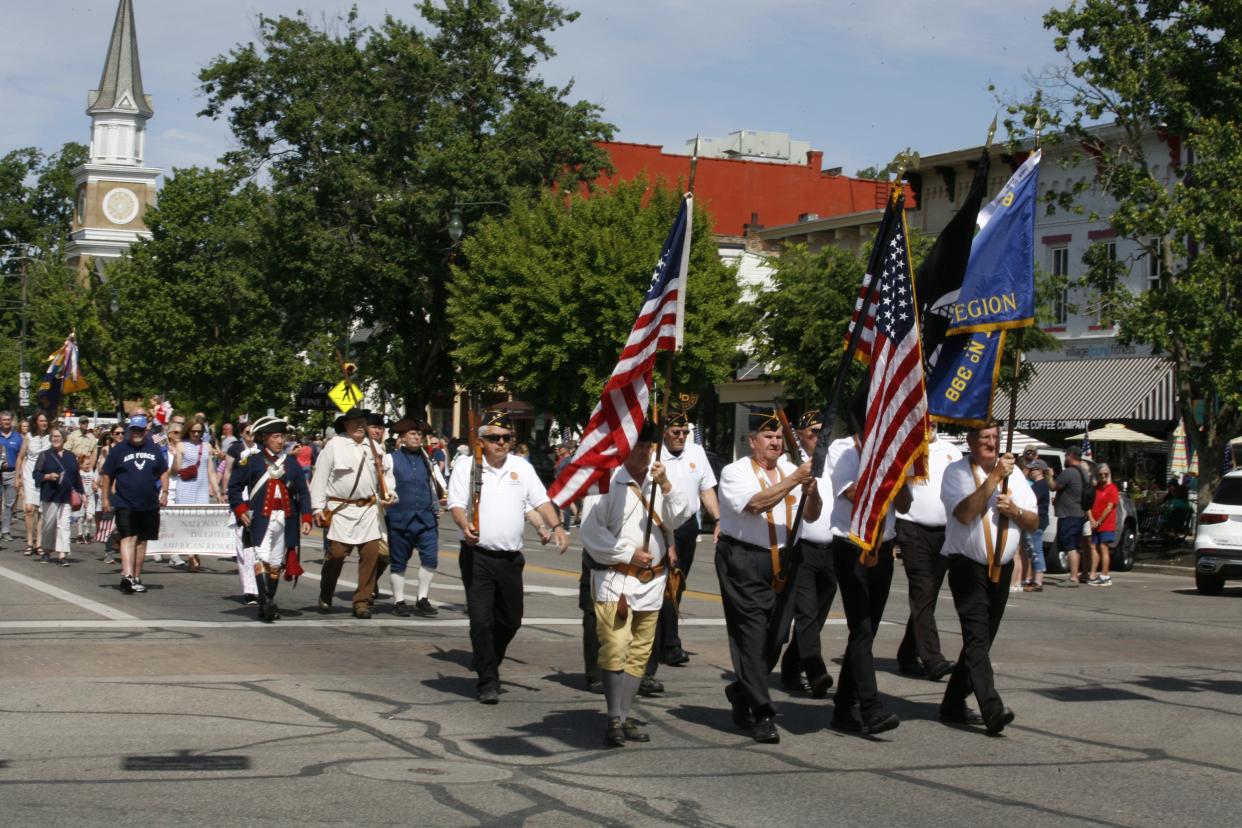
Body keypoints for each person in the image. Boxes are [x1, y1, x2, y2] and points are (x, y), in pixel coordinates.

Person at [581, 422, 693, 747]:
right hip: (617, 581)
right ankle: (613, 717)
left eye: (649, 445)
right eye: (640, 444)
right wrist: (628, 552)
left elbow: (677, 520)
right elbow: (591, 533)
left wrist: (667, 486)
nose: (645, 450)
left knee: (641, 653)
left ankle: (624, 715)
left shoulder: (658, 479)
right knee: (616, 647)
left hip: (653, 581)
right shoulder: (607, 480)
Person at [714, 407, 822, 744]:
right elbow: (756, 504)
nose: (775, 442)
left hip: (786, 561)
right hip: (744, 560)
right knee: (752, 636)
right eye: (768, 437)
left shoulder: (791, 469)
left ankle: (742, 690)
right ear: (752, 441)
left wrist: (811, 491)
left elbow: (812, 514)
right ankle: (762, 713)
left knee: (776, 637)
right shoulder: (736, 472)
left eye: (778, 437)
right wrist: (794, 480)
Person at [447, 409, 568, 704]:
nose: (501, 443)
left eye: (506, 438)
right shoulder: (468, 466)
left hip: (510, 558)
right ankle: (488, 679)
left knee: (511, 620)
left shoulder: (521, 467)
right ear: (482, 440)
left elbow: (538, 500)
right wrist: (466, 526)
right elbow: (456, 505)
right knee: (481, 621)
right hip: (478, 556)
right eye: (494, 438)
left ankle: (488, 658)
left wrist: (556, 526)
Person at [938, 421, 1037, 735]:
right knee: (977, 638)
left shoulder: (1016, 476)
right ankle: (991, 707)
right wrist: (995, 478)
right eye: (985, 437)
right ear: (971, 440)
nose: (992, 443)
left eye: (995, 437)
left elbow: (1034, 521)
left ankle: (953, 703)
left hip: (1002, 569)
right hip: (968, 567)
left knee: (982, 640)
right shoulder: (957, 473)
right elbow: (965, 513)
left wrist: (1016, 511)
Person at [827, 425, 906, 736]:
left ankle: (844, 708)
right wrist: (882, 473)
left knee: (867, 630)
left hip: (884, 546)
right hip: (851, 546)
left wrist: (898, 474)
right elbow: (852, 492)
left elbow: (905, 505)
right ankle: (870, 708)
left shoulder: (892, 453)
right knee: (860, 627)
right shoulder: (843, 449)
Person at [648, 408, 720, 674]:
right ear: (664, 431)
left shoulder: (696, 452)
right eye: (676, 432)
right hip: (660, 525)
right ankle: (667, 644)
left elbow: (706, 488)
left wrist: (719, 519)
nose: (681, 436)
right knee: (660, 585)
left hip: (688, 525)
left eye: (685, 432)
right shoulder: (653, 454)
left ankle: (666, 641)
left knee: (676, 585)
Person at [310, 408, 397, 618]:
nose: (359, 425)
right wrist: (317, 508)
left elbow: (386, 476)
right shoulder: (334, 446)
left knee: (371, 555)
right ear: (346, 425)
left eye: (362, 422)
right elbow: (320, 477)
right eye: (354, 422)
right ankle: (326, 591)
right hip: (341, 511)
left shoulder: (376, 448)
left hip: (368, 510)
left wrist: (390, 493)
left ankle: (362, 601)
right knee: (337, 554)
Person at [778, 408, 840, 697]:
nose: (819, 437)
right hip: (802, 550)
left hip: (833, 549)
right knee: (806, 614)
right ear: (800, 435)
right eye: (814, 432)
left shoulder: (835, 463)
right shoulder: (790, 466)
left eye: (824, 431)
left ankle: (791, 667)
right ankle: (815, 671)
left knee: (817, 618)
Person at [228, 416, 312, 622]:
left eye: (282, 436)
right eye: (275, 436)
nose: (280, 440)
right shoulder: (252, 461)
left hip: (285, 519)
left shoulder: (291, 463)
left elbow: (303, 491)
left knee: (275, 562)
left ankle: (267, 601)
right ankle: (266, 603)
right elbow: (234, 488)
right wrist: (240, 510)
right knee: (261, 557)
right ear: (265, 438)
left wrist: (307, 517)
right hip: (261, 518)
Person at [894, 421, 961, 682]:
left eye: (932, 422)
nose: (928, 427)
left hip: (944, 532)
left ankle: (907, 653)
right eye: (923, 422)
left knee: (928, 596)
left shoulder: (951, 451)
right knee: (922, 591)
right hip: (912, 528)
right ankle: (933, 658)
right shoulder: (907, 450)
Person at [99, 415, 171, 594]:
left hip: (149, 502)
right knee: (128, 537)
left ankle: (136, 577)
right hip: (125, 501)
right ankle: (127, 575)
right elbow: (107, 474)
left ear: (145, 431)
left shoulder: (153, 449)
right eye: (134, 430)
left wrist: (165, 492)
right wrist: (105, 498)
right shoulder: (119, 450)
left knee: (142, 541)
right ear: (129, 430)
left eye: (140, 430)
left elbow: (163, 471)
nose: (137, 433)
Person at [385, 418, 443, 617]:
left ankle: (422, 598)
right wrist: (389, 496)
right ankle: (399, 601)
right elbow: (386, 485)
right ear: (402, 437)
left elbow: (437, 482)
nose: (417, 437)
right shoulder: (391, 459)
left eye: (419, 434)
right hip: (400, 518)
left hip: (426, 518)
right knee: (399, 562)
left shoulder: (427, 459)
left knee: (430, 558)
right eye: (412, 434)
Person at [170, 418, 223, 572]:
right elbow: (175, 471)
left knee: (200, 522)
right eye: (193, 431)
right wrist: (175, 461)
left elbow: (211, 471)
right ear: (188, 430)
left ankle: (194, 551)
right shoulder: (181, 445)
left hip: (201, 488)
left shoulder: (207, 446)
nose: (196, 434)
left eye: (199, 431)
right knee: (186, 522)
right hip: (185, 487)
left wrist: (217, 492)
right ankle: (191, 554)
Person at [34, 428, 85, 566]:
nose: (55, 439)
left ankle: (63, 554)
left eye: (58, 436)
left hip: (66, 495)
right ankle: (47, 551)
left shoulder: (70, 456)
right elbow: (36, 474)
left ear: (64, 438)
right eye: (53, 436)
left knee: (64, 526)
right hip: (50, 495)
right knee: (49, 525)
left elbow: (76, 477)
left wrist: (82, 493)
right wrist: (47, 476)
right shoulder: (45, 455)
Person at [222, 423, 260, 602]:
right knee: (244, 546)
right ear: (241, 434)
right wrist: (225, 493)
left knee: (258, 549)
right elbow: (228, 472)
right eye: (247, 432)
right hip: (240, 501)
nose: (251, 435)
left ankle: (261, 585)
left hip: (257, 500)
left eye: (254, 432)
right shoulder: (235, 449)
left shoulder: (260, 449)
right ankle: (250, 590)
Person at [1048, 447, 1090, 584]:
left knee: (1071, 546)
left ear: (1071, 455)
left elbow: (1053, 486)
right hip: (1079, 513)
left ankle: (1073, 577)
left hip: (1070, 515)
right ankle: (1075, 574)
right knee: (1074, 545)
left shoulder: (1069, 472)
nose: (1065, 457)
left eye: (1066, 455)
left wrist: (1049, 474)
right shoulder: (1083, 472)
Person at [17, 412, 52, 556]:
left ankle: (39, 543)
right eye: (41, 420)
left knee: (42, 511)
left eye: (45, 421)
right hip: (30, 475)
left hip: (44, 476)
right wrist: (17, 477)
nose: (44, 423)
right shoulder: (29, 437)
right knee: (29, 509)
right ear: (36, 422)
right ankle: (29, 541)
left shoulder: (51, 438)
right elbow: (20, 457)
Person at [1087, 463, 1119, 586]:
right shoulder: (1095, 489)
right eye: (1100, 474)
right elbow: (1088, 504)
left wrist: (1099, 521)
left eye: (1106, 474)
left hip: (1106, 523)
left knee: (1103, 547)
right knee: (1093, 547)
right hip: (1095, 522)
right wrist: (1091, 519)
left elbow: (1109, 507)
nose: (1103, 476)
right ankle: (1093, 573)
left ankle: (1105, 575)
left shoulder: (1112, 488)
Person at [1021, 458, 1050, 592]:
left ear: (1040, 471)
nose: (1030, 472)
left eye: (1033, 469)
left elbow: (1030, 501)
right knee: (1033, 549)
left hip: (1037, 522)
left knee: (1036, 549)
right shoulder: (1039, 484)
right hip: (1038, 521)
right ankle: (1034, 579)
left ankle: (1038, 581)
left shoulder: (1040, 485)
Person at [0, 410, 23, 542]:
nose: (7, 422)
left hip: (12, 473)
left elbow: (21, 456)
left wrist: (19, 475)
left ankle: (6, 530)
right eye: (4, 420)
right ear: (0, 421)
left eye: (9, 420)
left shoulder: (17, 437)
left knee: (9, 504)